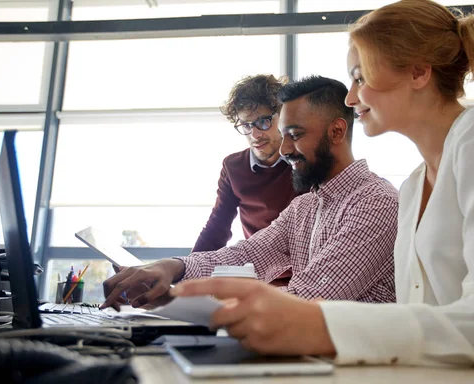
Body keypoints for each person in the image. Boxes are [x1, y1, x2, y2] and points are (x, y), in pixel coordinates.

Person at [167, 0, 474, 384]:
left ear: (417, 72)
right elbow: (426, 318)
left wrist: (315, 322)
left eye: (360, 76)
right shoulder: (414, 186)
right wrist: (177, 270)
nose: (349, 97)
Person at [101, 75, 399, 309]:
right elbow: (247, 256)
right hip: (311, 358)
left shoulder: (376, 203)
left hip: (363, 371)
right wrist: (172, 268)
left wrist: (180, 297)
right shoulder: (305, 208)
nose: (283, 149)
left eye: (294, 135)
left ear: (336, 132)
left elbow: (307, 299)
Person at [192, 74, 300, 253]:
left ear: (283, 117)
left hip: (303, 272)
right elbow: (217, 227)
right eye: (247, 125)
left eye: (263, 122)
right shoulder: (233, 167)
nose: (255, 135)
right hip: (259, 273)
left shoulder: (303, 162)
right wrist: (186, 271)